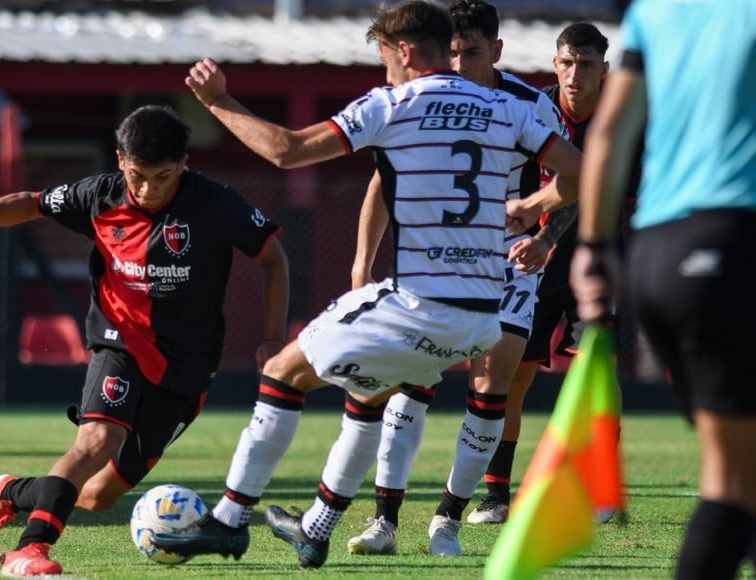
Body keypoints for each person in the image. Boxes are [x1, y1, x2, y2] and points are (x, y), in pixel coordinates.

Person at [150, 0, 582, 570]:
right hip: (481, 317)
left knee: (281, 372)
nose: (384, 72)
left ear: (404, 52)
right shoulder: (508, 108)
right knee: (368, 392)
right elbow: (584, 174)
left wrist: (218, 102)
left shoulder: (392, 104)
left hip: (419, 304)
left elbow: (286, 150)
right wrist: (533, 206)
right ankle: (317, 527)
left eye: (384, 59)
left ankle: (228, 522)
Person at [0, 104, 290, 576]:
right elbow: (32, 202)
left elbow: (273, 257)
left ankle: (11, 492)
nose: (147, 189)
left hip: (186, 368)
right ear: (120, 159)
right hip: (118, 341)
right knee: (95, 440)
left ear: (184, 164)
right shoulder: (99, 196)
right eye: (138, 176)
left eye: (162, 176)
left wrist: (272, 338)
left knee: (96, 495)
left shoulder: (216, 204)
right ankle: (31, 549)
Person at [345, 0, 570, 557]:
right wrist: (360, 264)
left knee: (491, 387)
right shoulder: (418, 98)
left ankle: (448, 519)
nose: (460, 62)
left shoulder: (528, 104)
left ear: (495, 51)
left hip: (506, 263)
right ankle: (384, 523)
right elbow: (381, 182)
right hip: (435, 258)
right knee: (413, 378)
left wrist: (543, 235)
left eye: (472, 52)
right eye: (451, 52)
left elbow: (577, 176)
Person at [569, 1, 756, 578]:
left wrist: (594, 250)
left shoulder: (657, 12)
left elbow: (608, 134)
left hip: (657, 257)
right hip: (732, 244)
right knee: (733, 487)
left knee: (737, 478)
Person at [465, 20, 612, 527]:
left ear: (604, 70)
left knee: (598, 366)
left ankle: (598, 489)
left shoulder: (624, 116)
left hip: (602, 253)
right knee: (514, 372)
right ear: (555, 64)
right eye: (568, 63)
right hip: (533, 256)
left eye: (587, 65)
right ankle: (496, 493)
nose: (576, 75)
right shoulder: (537, 109)